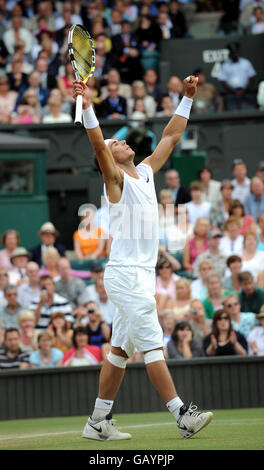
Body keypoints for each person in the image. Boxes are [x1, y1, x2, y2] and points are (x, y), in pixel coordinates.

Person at [72, 75, 213, 441]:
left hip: (139, 275)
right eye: (113, 143)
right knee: (153, 344)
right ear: (109, 161)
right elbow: (99, 146)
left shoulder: (147, 171)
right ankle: (181, 414)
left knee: (119, 351)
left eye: (118, 139)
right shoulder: (114, 181)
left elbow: (170, 136)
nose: (118, 142)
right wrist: (87, 107)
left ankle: (97, 421)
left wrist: (186, 98)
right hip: (127, 276)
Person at [218, 41, 256, 111]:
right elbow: (223, 81)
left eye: (236, 52)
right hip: (232, 94)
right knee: (233, 114)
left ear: (238, 52)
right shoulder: (225, 65)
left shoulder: (246, 63)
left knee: (248, 113)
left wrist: (244, 90)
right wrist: (235, 91)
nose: (235, 54)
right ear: (230, 54)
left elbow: (251, 77)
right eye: (233, 53)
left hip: (246, 92)